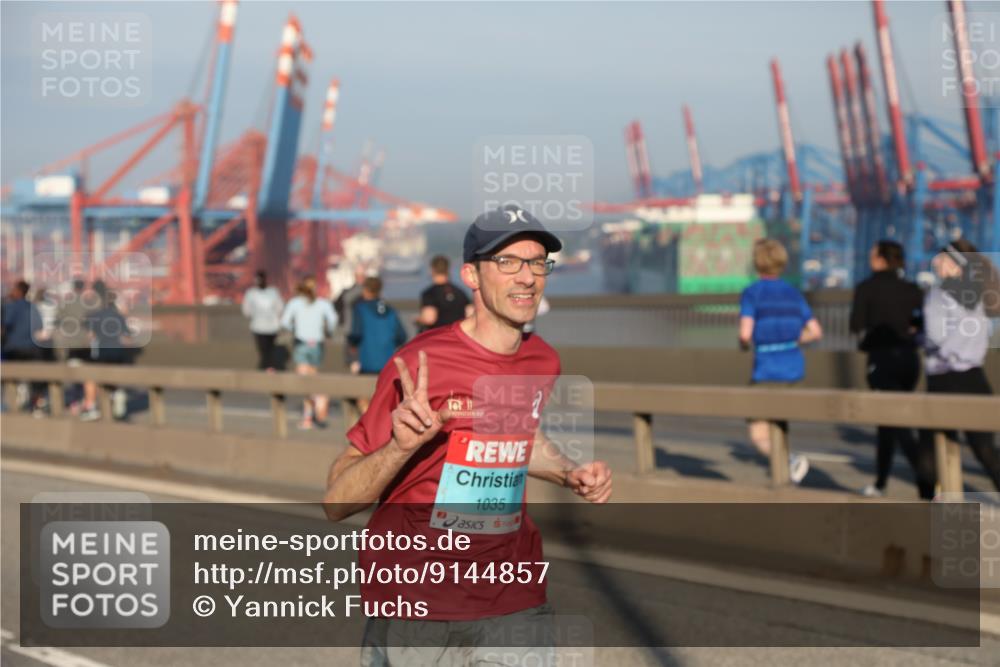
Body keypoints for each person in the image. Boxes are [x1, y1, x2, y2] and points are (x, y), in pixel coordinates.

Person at [323, 205, 612, 665]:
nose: (527, 277)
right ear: (471, 276)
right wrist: (400, 446)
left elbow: (520, 440)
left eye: (537, 262)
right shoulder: (422, 362)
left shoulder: (543, 362)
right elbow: (336, 501)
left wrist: (570, 473)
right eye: (508, 262)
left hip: (515, 596)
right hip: (419, 605)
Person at [849, 241, 936, 499]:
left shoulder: (866, 288)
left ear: (880, 260)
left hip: (881, 362)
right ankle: (880, 483)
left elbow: (856, 325)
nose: (869, 256)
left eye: (872, 253)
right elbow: (922, 323)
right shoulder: (912, 289)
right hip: (910, 361)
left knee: (896, 423)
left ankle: (928, 482)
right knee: (887, 424)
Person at [738, 239, 823, 485]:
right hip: (794, 369)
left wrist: (745, 344)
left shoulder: (752, 292)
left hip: (767, 370)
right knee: (780, 425)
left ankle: (790, 461)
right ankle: (784, 478)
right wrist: (796, 338)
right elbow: (816, 331)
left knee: (758, 431)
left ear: (757, 263)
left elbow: (745, 334)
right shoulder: (793, 293)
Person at [919, 240, 1000, 492]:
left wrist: (916, 336)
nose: (935, 263)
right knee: (985, 449)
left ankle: (930, 511)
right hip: (975, 378)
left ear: (954, 265)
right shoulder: (978, 294)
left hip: (944, 379)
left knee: (932, 451)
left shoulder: (937, 294)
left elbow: (934, 336)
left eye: (940, 259)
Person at [281, 276, 338, 430]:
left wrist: (295, 329)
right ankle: (309, 415)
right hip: (317, 344)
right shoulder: (323, 303)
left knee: (303, 381)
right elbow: (333, 319)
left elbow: (285, 322)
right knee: (311, 378)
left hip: (301, 343)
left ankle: (318, 400)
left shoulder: (295, 303)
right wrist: (328, 332)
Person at [347, 276, 408, 412]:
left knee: (364, 399)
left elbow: (356, 333)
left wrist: (351, 343)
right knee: (384, 400)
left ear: (365, 290)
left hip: (366, 360)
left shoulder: (360, 309)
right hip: (387, 362)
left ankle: (369, 429)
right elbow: (402, 336)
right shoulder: (391, 310)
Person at [81, 281, 134, 421]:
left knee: (92, 377)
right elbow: (127, 337)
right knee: (112, 376)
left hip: (101, 351)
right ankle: (117, 395)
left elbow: (90, 336)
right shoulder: (118, 316)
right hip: (117, 351)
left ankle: (91, 407)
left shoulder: (95, 315)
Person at [1, 280, 44, 412]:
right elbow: (39, 327)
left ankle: (12, 405)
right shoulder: (33, 307)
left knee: (11, 378)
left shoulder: (11, 306)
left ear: (19, 291)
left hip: (14, 349)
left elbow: (5, 325)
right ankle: (32, 404)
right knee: (31, 377)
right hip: (31, 348)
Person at [415, 255, 471, 332]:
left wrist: (418, 320)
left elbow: (429, 319)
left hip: (437, 336)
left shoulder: (430, 293)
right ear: (448, 269)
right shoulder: (460, 292)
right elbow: (470, 315)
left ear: (432, 269)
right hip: (456, 336)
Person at [242, 270, 284, 371]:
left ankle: (266, 370)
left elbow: (280, 307)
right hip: (259, 328)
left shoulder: (273, 292)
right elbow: (246, 310)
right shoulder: (251, 293)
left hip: (270, 328)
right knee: (265, 350)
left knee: (268, 350)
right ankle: (268, 370)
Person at [335, 264, 367, 372]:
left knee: (354, 361)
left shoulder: (346, 293)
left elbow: (337, 306)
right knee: (357, 360)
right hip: (356, 331)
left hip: (351, 330)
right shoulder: (369, 294)